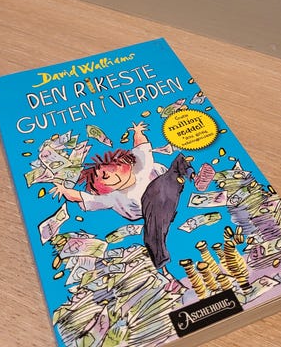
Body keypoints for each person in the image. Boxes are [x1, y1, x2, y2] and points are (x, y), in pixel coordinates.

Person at [49, 121, 193, 286]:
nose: (107, 176)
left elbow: (140, 146)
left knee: (177, 163)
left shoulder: (141, 166)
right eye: (102, 178)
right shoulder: (113, 197)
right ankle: (166, 271)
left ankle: (192, 175)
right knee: (152, 237)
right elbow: (82, 197)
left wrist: (137, 131)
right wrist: (63, 190)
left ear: (126, 163)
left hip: (168, 186)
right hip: (152, 210)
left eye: (110, 170)